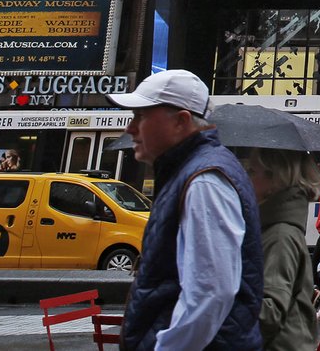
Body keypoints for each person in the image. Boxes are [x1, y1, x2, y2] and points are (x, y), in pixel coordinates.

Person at [107, 69, 264, 351]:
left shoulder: (204, 180)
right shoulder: (193, 172)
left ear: (181, 121)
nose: (130, 128)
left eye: (140, 116)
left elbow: (211, 292)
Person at [242, 147, 320, 351]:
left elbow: (270, 312)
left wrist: (224, 293)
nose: (245, 177)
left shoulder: (280, 234)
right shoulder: (275, 227)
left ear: (275, 179)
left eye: (252, 171)